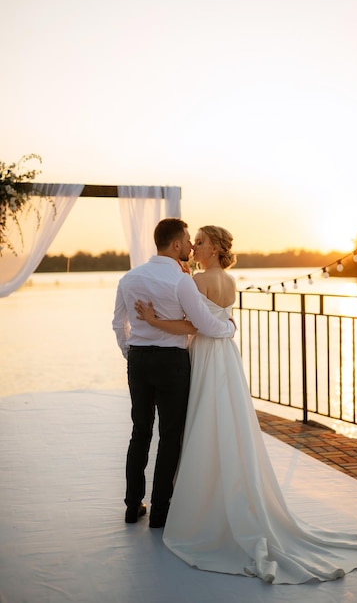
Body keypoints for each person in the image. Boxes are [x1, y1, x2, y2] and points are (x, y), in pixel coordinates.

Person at [135, 225, 357, 585]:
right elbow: (221, 322)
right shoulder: (228, 282)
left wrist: (153, 320)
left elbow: (192, 325)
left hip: (203, 355)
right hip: (227, 358)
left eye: (200, 243)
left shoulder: (196, 283)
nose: (194, 248)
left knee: (201, 423)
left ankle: (201, 504)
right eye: (193, 242)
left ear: (215, 248)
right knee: (228, 421)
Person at [112, 218, 236, 528]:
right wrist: (229, 328)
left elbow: (118, 324)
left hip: (139, 361)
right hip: (172, 362)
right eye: (187, 240)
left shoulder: (129, 277)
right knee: (169, 436)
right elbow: (203, 325)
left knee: (140, 432)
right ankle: (161, 511)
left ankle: (131, 505)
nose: (192, 246)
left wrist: (132, 352)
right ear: (177, 244)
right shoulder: (182, 281)